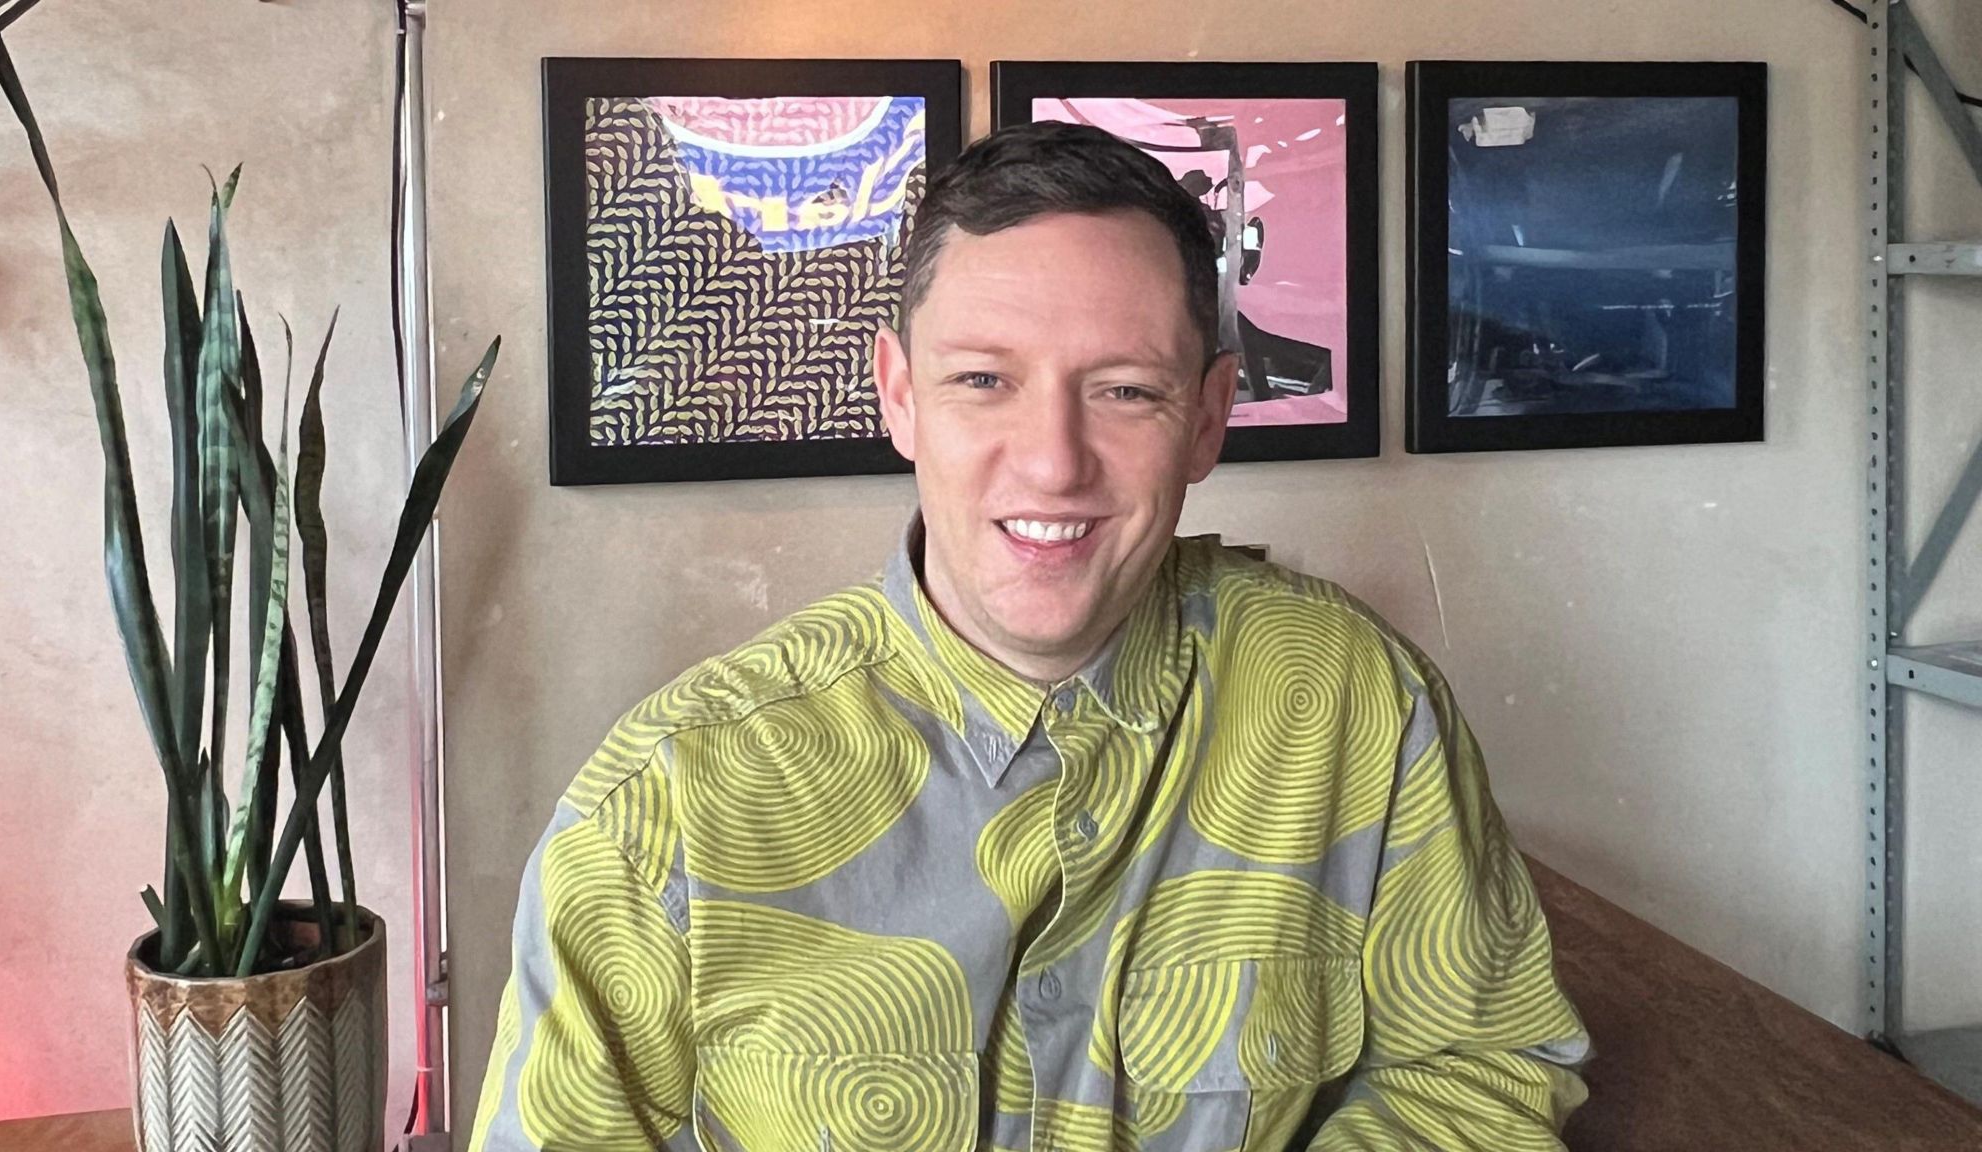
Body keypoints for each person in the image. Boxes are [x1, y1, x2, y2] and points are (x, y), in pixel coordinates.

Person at [469, 121, 1590, 1152]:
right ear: (898, 397)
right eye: (982, 381)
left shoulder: (1356, 704)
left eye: (1123, 392)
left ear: (1205, 419)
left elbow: (1481, 1067)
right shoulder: (664, 804)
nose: (1053, 461)